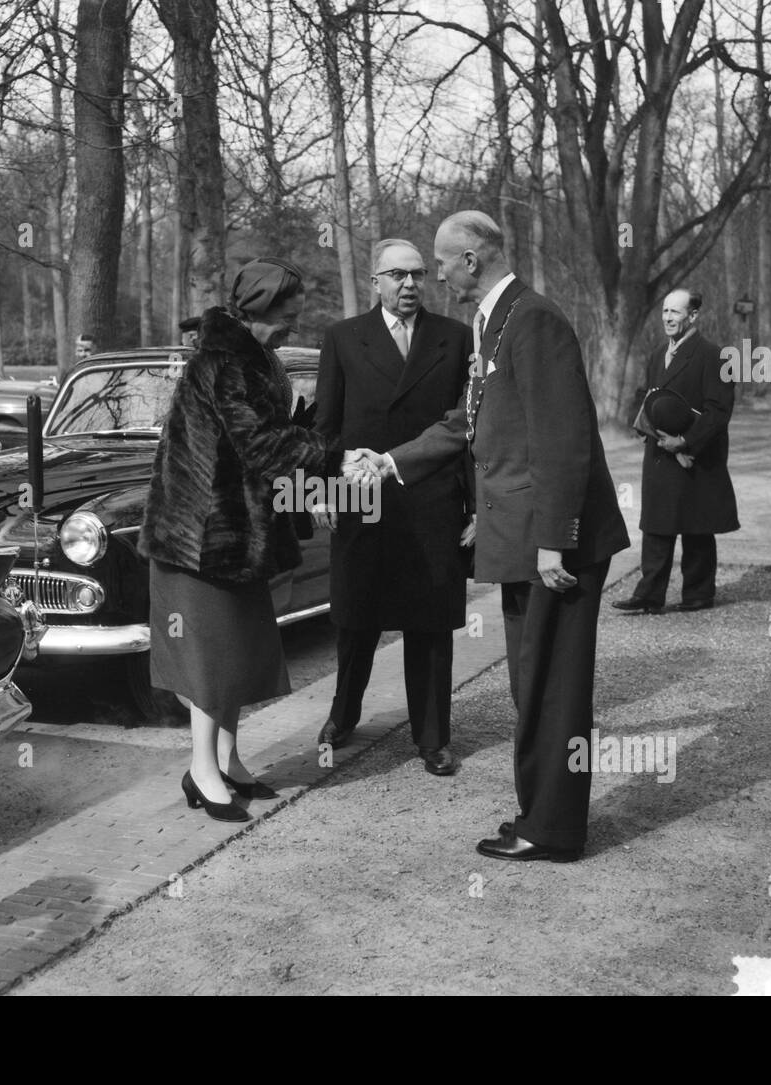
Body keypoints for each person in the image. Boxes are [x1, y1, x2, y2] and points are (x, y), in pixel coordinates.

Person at [349, 211, 629, 862]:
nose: (435, 274)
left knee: (551, 690)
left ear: (472, 259)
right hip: (525, 540)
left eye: (443, 262)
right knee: (531, 685)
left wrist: (558, 540)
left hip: (551, 546)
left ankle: (552, 829)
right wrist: (390, 461)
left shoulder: (534, 321)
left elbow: (563, 441)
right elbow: (464, 421)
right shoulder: (494, 322)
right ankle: (540, 815)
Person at [138, 258, 340, 822]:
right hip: (199, 536)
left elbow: (269, 434)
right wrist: (327, 449)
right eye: (286, 319)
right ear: (255, 311)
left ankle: (226, 760)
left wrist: (312, 429)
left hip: (234, 534)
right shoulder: (222, 362)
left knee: (238, 650)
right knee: (211, 658)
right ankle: (201, 771)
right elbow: (257, 444)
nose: (292, 329)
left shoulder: (257, 357)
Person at [312, 238, 475, 776]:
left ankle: (432, 737)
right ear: (376, 281)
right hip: (362, 501)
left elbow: (467, 430)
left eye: (419, 275)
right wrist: (319, 489)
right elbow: (325, 428)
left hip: (432, 502)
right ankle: (343, 714)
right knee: (356, 618)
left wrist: (474, 507)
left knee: (429, 624)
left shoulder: (454, 338)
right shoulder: (342, 338)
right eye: (398, 275)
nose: (409, 285)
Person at [612, 288, 738, 614]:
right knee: (656, 525)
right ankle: (648, 595)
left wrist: (685, 442)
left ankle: (698, 594)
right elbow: (646, 394)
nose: (668, 318)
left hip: (695, 456)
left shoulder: (715, 355)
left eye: (675, 312)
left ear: (693, 316)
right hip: (658, 454)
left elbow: (718, 411)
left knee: (696, 527)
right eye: (665, 311)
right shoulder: (657, 354)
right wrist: (639, 422)